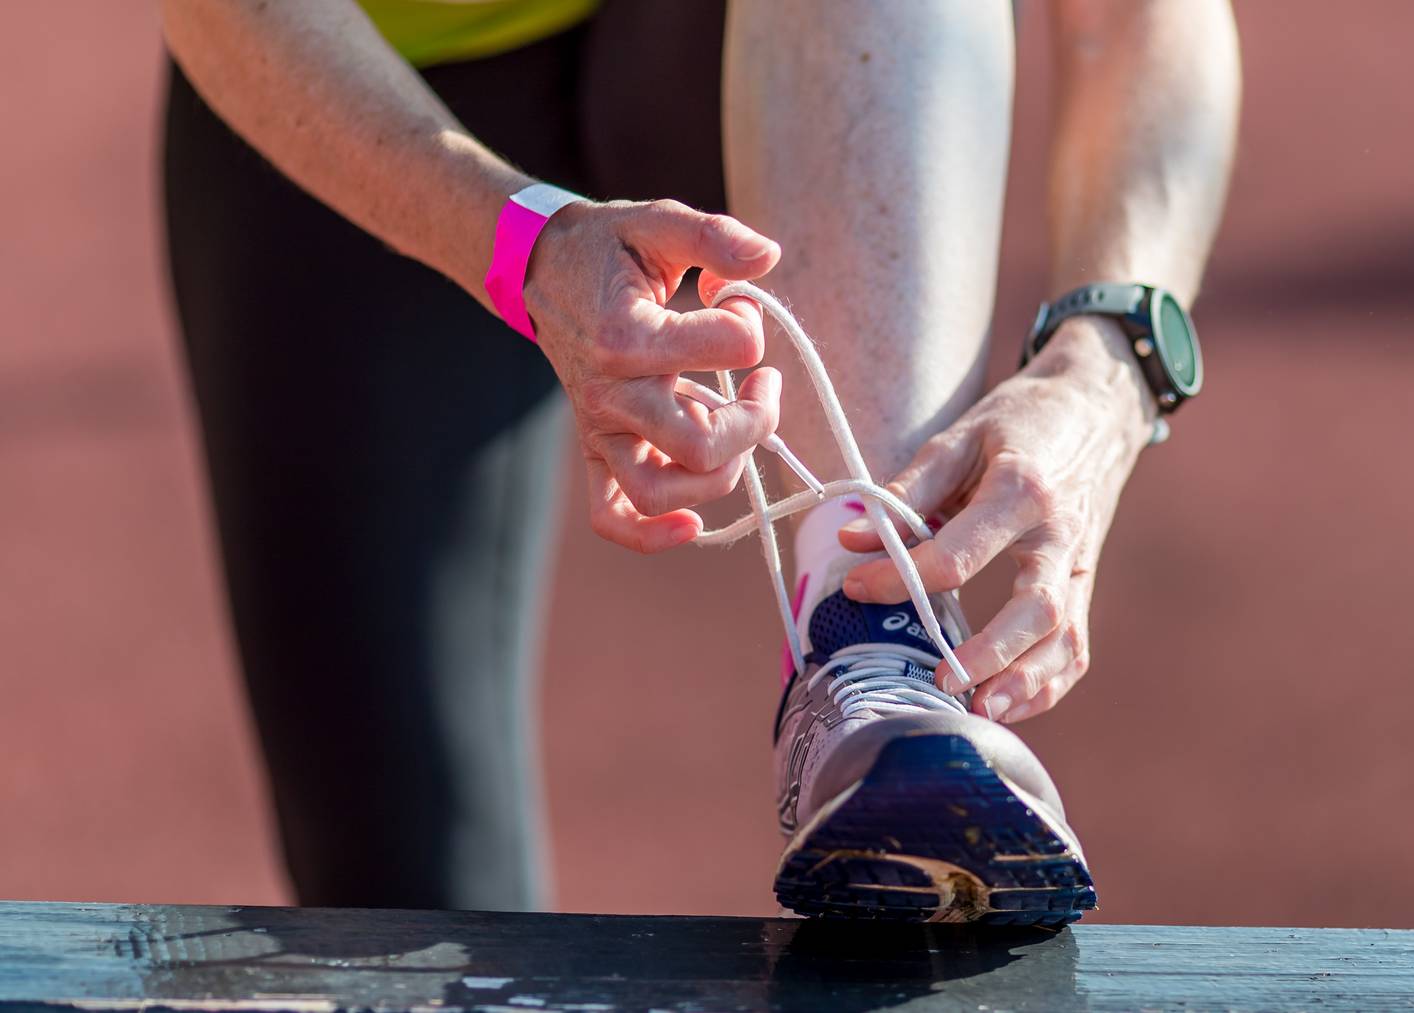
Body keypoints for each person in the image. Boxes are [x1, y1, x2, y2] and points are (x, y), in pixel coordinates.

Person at [160, 0, 1239, 923]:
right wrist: (520, 244)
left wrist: (1105, 367)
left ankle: (871, 639)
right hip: (377, 63)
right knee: (406, 893)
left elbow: (1143, 19)